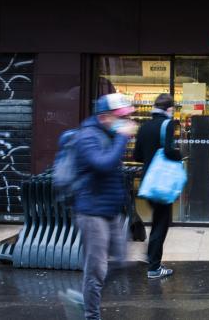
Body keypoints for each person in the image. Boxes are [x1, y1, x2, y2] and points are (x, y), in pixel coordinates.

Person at [58, 93, 137, 320]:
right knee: (96, 269)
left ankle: (84, 299)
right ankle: (91, 315)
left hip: (109, 210)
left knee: (121, 261)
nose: (125, 121)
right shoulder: (87, 137)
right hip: (91, 212)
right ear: (104, 117)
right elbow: (104, 164)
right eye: (120, 117)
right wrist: (122, 137)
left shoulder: (106, 134)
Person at [134, 93, 182, 279]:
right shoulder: (167, 124)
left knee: (158, 220)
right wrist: (180, 155)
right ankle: (154, 267)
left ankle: (151, 256)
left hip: (148, 182)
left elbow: (137, 156)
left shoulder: (144, 126)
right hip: (162, 181)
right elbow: (170, 151)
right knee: (161, 223)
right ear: (169, 108)